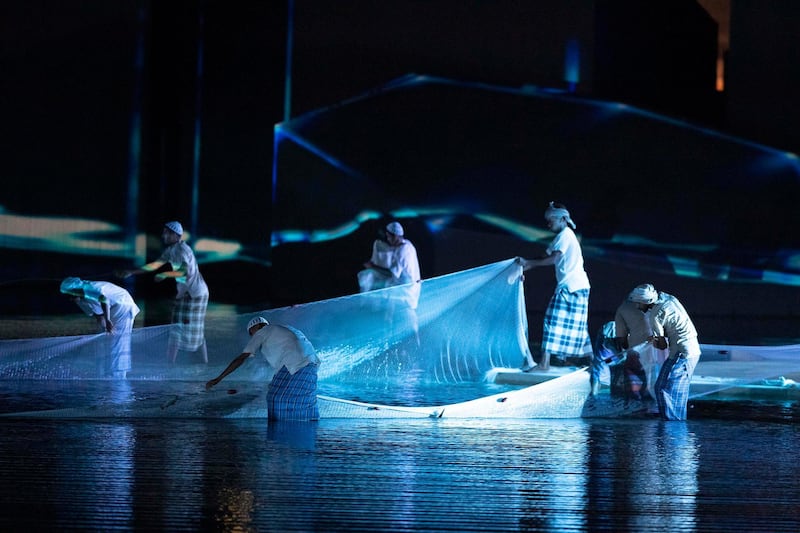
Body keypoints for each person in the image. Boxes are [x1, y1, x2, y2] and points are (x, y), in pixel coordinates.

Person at [117, 221, 209, 364]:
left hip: (195, 294)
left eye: (166, 232)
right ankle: (175, 364)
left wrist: (165, 274)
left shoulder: (183, 250)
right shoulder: (171, 250)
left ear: (175, 234)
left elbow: (185, 272)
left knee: (190, 329)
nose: (163, 235)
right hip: (186, 293)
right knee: (180, 328)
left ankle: (190, 363)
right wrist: (131, 272)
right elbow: (154, 265)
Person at [518, 202, 592, 371]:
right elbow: (545, 255)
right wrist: (524, 267)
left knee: (552, 320)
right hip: (578, 286)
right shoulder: (561, 237)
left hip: (571, 287)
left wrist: (528, 263)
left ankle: (544, 364)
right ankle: (593, 362)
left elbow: (554, 259)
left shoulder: (566, 235)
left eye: (551, 220)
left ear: (563, 219)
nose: (548, 224)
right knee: (578, 324)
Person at [206, 317, 321, 421]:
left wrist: (218, 378)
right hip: (311, 365)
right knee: (307, 404)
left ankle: (277, 439)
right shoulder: (284, 329)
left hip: (295, 364)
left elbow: (241, 358)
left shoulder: (263, 331)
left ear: (256, 326)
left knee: (275, 399)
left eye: (251, 333)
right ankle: (309, 429)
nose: (252, 336)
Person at [626, 283, 701, 421]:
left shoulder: (655, 315)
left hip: (683, 353)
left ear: (646, 302)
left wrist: (653, 340)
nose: (637, 307)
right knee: (665, 388)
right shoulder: (669, 299)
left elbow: (662, 345)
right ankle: (670, 422)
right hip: (687, 350)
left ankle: (673, 426)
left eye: (638, 303)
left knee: (668, 390)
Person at [60, 277, 140, 379]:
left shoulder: (89, 288)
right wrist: (103, 327)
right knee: (104, 341)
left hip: (123, 304)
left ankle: (118, 376)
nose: (70, 298)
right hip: (111, 308)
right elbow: (98, 315)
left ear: (75, 290)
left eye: (70, 294)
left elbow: (103, 299)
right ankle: (104, 373)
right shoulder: (80, 300)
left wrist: (107, 320)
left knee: (118, 341)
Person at [357, 221, 422, 347]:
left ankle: (415, 352)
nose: (387, 239)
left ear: (395, 236)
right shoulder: (408, 244)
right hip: (403, 292)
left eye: (388, 237)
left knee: (409, 325)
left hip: (405, 295)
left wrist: (373, 266)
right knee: (390, 319)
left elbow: (392, 274)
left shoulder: (402, 250)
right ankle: (398, 349)